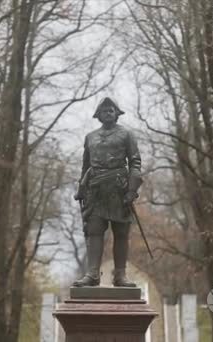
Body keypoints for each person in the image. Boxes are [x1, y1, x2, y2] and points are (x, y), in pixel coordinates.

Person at [72, 97, 142, 287]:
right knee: (94, 231)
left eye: (112, 110)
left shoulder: (127, 135)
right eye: (104, 110)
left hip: (119, 190)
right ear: (98, 115)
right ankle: (93, 273)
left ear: (117, 113)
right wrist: (81, 188)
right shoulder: (90, 137)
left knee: (121, 232)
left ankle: (120, 275)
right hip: (96, 191)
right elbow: (85, 166)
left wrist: (132, 190)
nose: (108, 113)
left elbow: (135, 163)